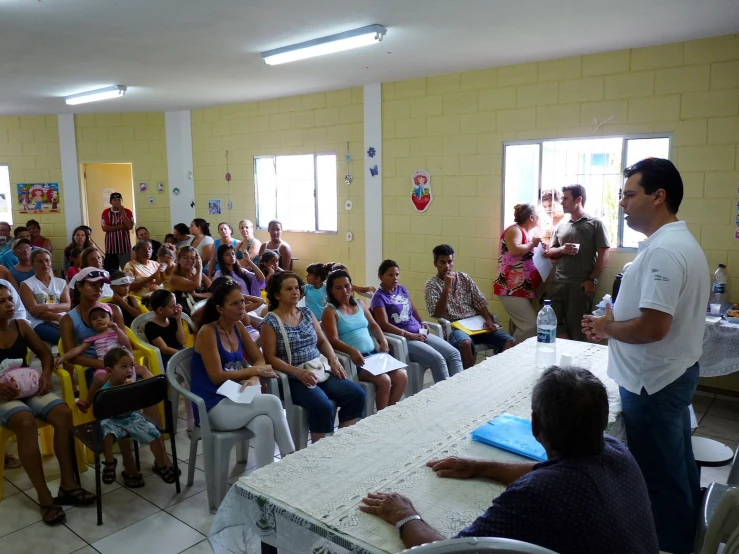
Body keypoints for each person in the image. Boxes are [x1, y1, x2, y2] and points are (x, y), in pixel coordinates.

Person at [360, 366, 658, 554]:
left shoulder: (536, 493)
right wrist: (480, 466)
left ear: (535, 425)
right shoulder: (617, 451)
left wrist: (405, 515)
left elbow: (452, 552)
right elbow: (552, 472)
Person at [582, 158, 708, 554]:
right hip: (668, 373)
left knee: (659, 478)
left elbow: (654, 327)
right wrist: (615, 320)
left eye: (629, 194)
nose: (622, 202)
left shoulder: (665, 252)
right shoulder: (673, 243)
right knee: (677, 465)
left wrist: (607, 328)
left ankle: (671, 544)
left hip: (653, 381)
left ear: (659, 197)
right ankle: (691, 533)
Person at [0, 283, 95, 524]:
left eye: (9, 299)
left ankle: (68, 485)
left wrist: (44, 375)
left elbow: (43, 353)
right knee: (25, 420)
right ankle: (44, 497)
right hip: (2, 394)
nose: (9, 304)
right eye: (1, 302)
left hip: (26, 385)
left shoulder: (21, 326)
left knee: (63, 412)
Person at [191, 279, 295, 467]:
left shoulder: (238, 326)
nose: (242, 308)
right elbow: (216, 376)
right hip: (212, 405)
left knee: (264, 423)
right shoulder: (208, 332)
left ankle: (266, 478)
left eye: (242, 302)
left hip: (236, 396)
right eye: (234, 304)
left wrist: (254, 376)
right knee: (272, 402)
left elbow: (260, 359)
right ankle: (292, 459)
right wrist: (254, 370)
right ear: (220, 309)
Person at [260, 272, 365, 443]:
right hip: (293, 378)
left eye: (296, 288)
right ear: (277, 295)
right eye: (288, 289)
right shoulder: (270, 322)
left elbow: (322, 341)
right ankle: (319, 449)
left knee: (356, 394)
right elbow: (269, 357)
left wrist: (333, 359)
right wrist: (297, 373)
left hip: (317, 368)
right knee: (322, 406)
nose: (295, 292)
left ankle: (341, 442)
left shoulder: (306, 313)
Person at [322, 270, 407, 411]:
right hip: (355, 360)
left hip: (373, 355)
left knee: (402, 376)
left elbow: (373, 325)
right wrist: (352, 351)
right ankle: (380, 418)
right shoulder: (330, 311)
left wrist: (383, 340)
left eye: (347, 286)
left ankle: (388, 413)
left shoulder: (359, 303)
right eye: (338, 288)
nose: (344, 291)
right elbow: (332, 340)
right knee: (385, 380)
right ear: (331, 290)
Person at [97, 347, 178, 486]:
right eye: (123, 367)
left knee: (154, 433)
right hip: (112, 420)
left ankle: (161, 465)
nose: (129, 370)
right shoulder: (106, 390)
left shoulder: (132, 386)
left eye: (131, 366)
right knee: (105, 433)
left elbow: (137, 405)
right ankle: (110, 462)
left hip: (131, 418)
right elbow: (104, 411)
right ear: (110, 371)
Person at [424, 245, 515, 369]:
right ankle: (468, 380)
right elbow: (438, 313)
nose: (447, 266)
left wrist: (488, 320)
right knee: (465, 343)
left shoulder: (464, 278)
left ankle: (497, 372)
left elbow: (479, 301)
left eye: (449, 262)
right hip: (455, 327)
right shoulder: (431, 285)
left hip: (476, 324)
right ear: (435, 263)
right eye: (442, 262)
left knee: (510, 341)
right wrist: (446, 287)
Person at [372, 260, 463, 383]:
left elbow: (413, 310)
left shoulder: (401, 289)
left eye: (397, 275)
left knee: (453, 353)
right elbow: (384, 325)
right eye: (390, 275)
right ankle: (445, 396)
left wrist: (422, 322)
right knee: (438, 359)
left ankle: (460, 389)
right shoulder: (379, 297)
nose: (395, 278)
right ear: (380, 277)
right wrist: (410, 335)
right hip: (404, 339)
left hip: (419, 333)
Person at [543, 184, 610, 341]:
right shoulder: (561, 225)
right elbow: (550, 253)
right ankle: (559, 352)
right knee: (549, 323)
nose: (561, 202)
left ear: (578, 199)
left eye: (565, 198)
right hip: (558, 283)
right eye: (561, 198)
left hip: (580, 285)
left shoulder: (595, 223)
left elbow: (603, 254)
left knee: (578, 328)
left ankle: (573, 362)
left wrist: (592, 280)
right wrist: (562, 250)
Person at [55, 302, 146, 411]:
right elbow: (78, 349)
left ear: (110, 319)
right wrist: (63, 357)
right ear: (91, 323)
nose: (99, 320)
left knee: (141, 370)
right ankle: (88, 401)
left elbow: (126, 343)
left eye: (103, 316)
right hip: (105, 367)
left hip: (123, 365)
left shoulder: (116, 333)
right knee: (99, 378)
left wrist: (117, 329)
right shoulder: (93, 339)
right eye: (94, 318)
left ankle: (150, 391)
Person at [62, 267, 126, 388]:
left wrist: (123, 364)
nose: (99, 289)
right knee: (111, 388)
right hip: (93, 369)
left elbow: (125, 342)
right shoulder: (68, 320)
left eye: (101, 285)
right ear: (79, 287)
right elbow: (72, 357)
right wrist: (107, 365)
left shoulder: (113, 310)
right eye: (93, 285)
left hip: (121, 363)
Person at [494, 203, 543, 341]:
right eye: (537, 215)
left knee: (518, 326)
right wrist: (532, 244)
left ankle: (512, 355)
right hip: (510, 288)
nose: (539, 218)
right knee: (530, 326)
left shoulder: (527, 234)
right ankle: (511, 355)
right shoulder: (514, 230)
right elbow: (514, 250)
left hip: (521, 288)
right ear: (531, 217)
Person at [20, 249, 69, 344]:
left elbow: (67, 306)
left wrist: (46, 307)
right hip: (38, 321)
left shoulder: (61, 282)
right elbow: (34, 312)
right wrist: (57, 316)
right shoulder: (26, 285)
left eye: (47, 260)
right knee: (61, 338)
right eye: (40, 261)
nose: (45, 264)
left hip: (62, 317)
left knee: (80, 334)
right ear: (32, 264)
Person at [144, 289, 185, 369]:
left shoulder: (173, 320)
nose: (176, 308)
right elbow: (164, 349)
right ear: (160, 310)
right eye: (172, 306)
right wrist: (182, 354)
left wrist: (178, 321)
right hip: (167, 358)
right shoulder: (151, 327)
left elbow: (182, 341)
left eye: (176, 304)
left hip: (179, 352)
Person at [169, 246, 211, 315]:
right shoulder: (174, 278)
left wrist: (197, 295)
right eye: (185, 258)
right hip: (186, 312)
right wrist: (200, 267)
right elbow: (196, 285)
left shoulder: (199, 274)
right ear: (178, 260)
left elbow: (214, 292)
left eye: (193, 258)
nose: (189, 260)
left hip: (203, 306)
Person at [101, 192, 134, 272]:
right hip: (111, 249)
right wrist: (121, 226)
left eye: (119, 199)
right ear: (111, 202)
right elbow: (105, 228)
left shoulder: (128, 212)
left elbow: (129, 226)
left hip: (125, 248)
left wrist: (122, 212)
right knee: (111, 272)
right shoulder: (106, 212)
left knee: (127, 271)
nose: (117, 201)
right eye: (114, 200)